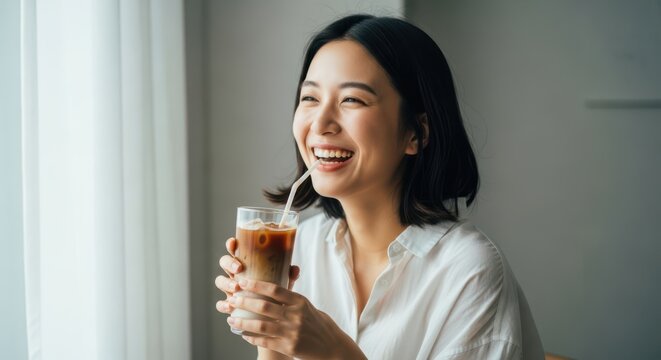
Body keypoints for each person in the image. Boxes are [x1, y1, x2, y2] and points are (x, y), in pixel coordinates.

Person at [215, 14, 544, 359]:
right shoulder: (302, 246)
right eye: (310, 99)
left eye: (351, 100)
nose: (321, 124)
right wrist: (269, 333)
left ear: (416, 133)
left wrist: (334, 352)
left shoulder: (469, 271)